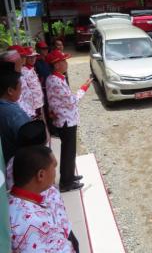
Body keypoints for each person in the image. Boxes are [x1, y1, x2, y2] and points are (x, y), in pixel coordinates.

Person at [5, 121, 79, 252]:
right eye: (54, 168)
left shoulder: (11, 200)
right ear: (41, 175)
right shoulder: (35, 222)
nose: (55, 173)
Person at [45, 49, 92, 192]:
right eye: (63, 61)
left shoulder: (55, 78)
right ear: (57, 65)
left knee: (69, 151)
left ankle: (69, 176)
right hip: (66, 121)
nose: (66, 63)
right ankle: (66, 182)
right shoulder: (56, 81)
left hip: (65, 119)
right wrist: (84, 87)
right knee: (68, 152)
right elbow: (72, 101)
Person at [0, 62, 31, 164]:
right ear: (10, 91)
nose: (21, 90)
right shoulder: (14, 114)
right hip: (17, 164)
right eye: (20, 87)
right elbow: (32, 141)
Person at [8, 46, 35, 118]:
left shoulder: (20, 73)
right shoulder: (10, 78)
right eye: (22, 56)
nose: (24, 59)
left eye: (24, 56)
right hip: (21, 115)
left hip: (29, 111)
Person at [22, 47, 44, 119]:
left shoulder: (32, 68)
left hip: (38, 102)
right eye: (30, 57)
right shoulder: (23, 71)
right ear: (25, 58)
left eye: (34, 57)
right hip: (32, 105)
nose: (33, 59)